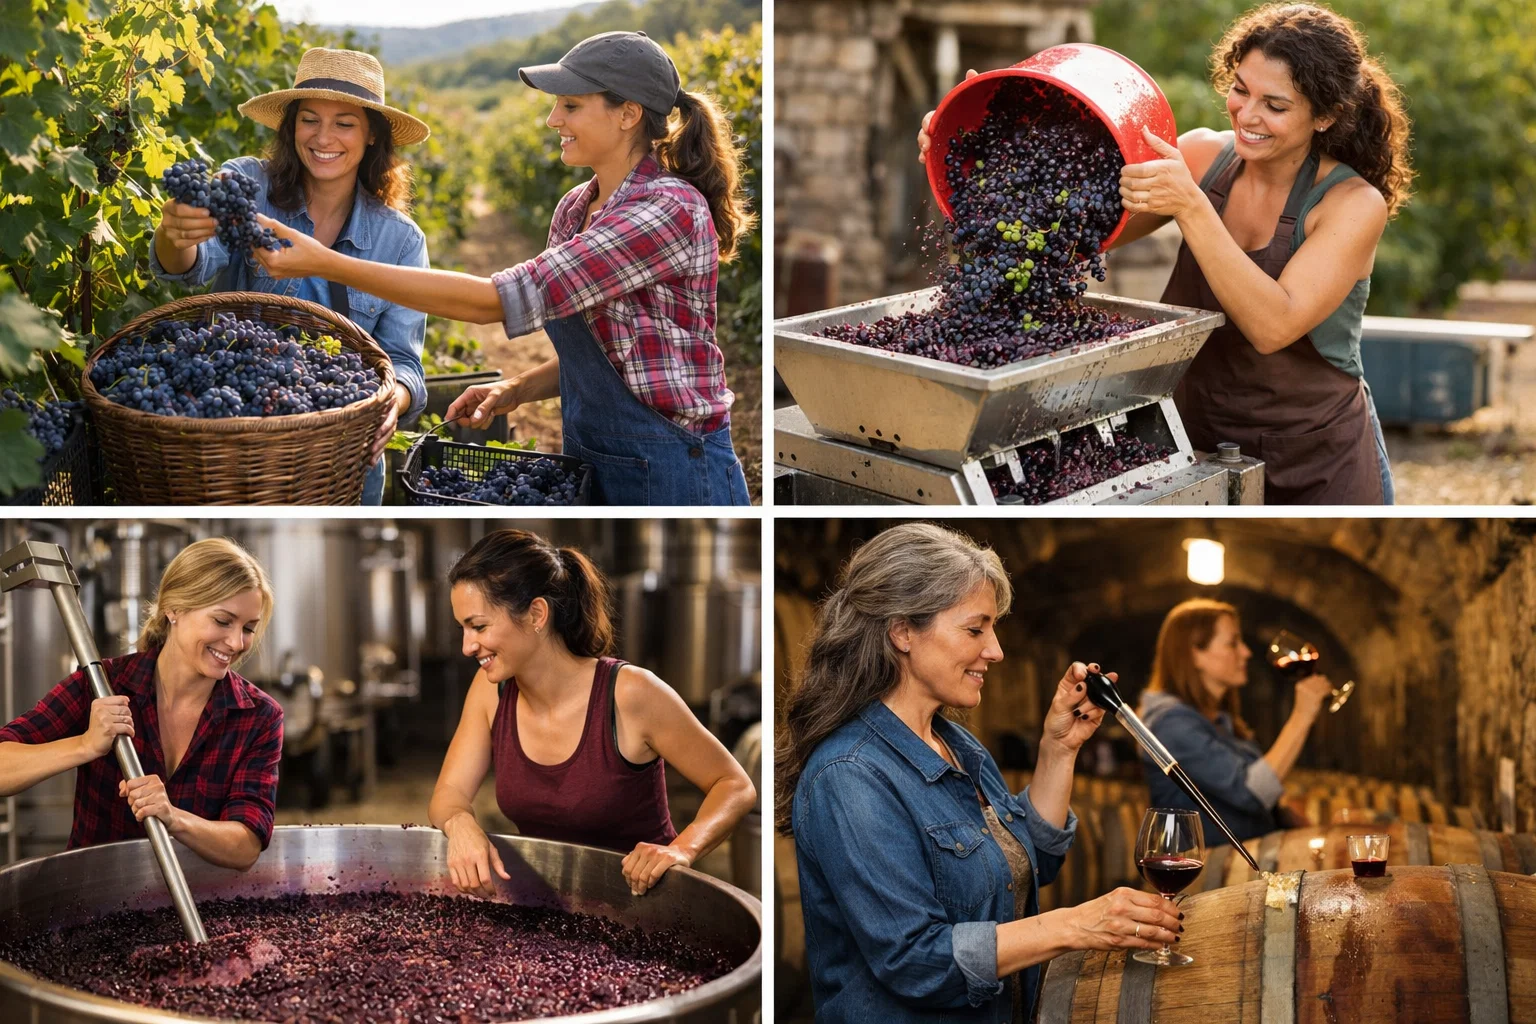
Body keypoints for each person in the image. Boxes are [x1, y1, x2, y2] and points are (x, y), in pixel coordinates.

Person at [918, 4, 1408, 504]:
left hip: (1315, 458)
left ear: (1324, 116)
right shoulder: (1201, 157)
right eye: (1241, 90)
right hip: (1194, 435)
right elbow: (1068, 239)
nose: (1247, 115)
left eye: (1275, 106)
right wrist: (984, 150)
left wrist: (1192, 207)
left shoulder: (1351, 205)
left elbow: (1273, 326)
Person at [251, 31, 754, 506]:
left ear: (628, 114)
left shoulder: (666, 209)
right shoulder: (576, 208)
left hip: (674, 464)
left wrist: (327, 263)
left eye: (570, 105)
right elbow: (614, 357)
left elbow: (494, 301)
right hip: (593, 454)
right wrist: (516, 389)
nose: (553, 119)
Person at [776, 523, 1182, 1022]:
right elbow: (914, 961)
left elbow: (1030, 865)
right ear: (902, 632)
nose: (996, 650)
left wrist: (1059, 749)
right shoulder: (850, 774)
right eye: (975, 629)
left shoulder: (957, 745)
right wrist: (1075, 926)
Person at [151, 47, 432, 505]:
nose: (324, 137)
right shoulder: (249, 186)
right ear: (291, 126)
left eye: (344, 123)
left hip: (341, 455)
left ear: (372, 136)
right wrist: (175, 232)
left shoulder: (400, 241)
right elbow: (190, 266)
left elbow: (404, 364)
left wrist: (389, 404)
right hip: (236, 437)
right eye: (309, 119)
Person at [427, 529, 756, 897]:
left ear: (537, 614)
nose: (467, 646)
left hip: (645, 907)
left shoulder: (630, 693)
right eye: (463, 628)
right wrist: (460, 823)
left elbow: (735, 786)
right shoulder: (491, 690)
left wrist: (683, 848)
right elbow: (450, 792)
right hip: (550, 908)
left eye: (479, 626)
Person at [0, 539, 282, 871]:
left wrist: (173, 817)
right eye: (222, 621)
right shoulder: (103, 686)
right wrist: (85, 745)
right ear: (173, 608)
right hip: (94, 893)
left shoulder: (259, 716)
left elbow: (246, 847)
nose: (236, 643)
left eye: (248, 628)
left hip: (197, 896)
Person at [1135, 598, 1333, 846]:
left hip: (1251, 853)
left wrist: (1287, 818)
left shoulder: (1218, 720)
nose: (1246, 652)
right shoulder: (1171, 725)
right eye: (1233, 643)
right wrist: (1302, 716)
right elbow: (1251, 793)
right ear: (1195, 655)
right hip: (1209, 865)